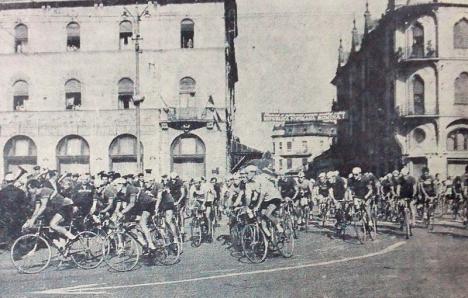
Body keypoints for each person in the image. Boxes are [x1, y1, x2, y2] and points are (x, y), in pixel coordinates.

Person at [22, 179, 75, 249]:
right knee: (49, 230)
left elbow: (43, 206)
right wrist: (31, 219)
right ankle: (61, 246)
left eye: (29, 188)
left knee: (53, 224)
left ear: (35, 187)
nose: (28, 190)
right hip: (57, 209)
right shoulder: (37, 195)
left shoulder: (44, 191)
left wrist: (34, 219)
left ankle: (71, 236)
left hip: (65, 206)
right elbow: (37, 209)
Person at [245, 165, 284, 237]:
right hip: (265, 200)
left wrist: (257, 206)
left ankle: (278, 225)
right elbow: (248, 197)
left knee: (267, 214)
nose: (246, 175)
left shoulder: (261, 179)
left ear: (253, 172)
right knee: (262, 219)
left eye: (247, 173)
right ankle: (269, 237)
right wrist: (248, 208)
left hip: (274, 197)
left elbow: (262, 194)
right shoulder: (248, 183)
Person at [0, 173, 29, 242]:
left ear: (6, 181)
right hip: (18, 217)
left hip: (5, 217)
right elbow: (25, 205)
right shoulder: (21, 192)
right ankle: (16, 244)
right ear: (14, 181)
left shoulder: (2, 192)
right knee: (16, 233)